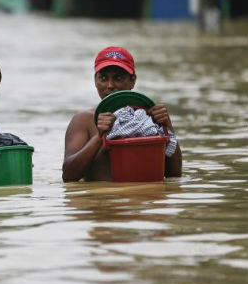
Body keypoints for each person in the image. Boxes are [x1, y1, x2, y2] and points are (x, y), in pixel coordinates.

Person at [62, 46, 182, 182]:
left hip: (140, 200)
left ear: (132, 81)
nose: (110, 85)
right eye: (103, 78)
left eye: (118, 78)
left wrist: (167, 126)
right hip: (103, 201)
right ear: (95, 80)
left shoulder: (149, 119)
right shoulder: (83, 120)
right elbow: (68, 176)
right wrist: (99, 137)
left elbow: (174, 175)